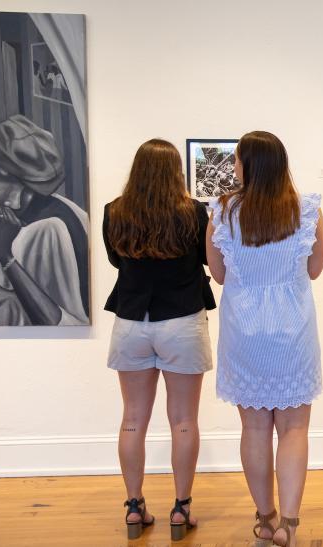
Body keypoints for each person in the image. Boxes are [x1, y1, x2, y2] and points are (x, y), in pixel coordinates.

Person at [207, 130, 323, 547]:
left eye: (237, 159)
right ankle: (290, 527)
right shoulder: (306, 210)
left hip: (244, 331)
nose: (234, 166)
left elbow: (219, 275)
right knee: (294, 429)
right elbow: (315, 269)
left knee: (255, 428)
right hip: (293, 328)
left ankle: (265, 520)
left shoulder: (222, 213)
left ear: (248, 165)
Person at [102, 139, 216, 541]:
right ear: (175, 173)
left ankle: (134, 507)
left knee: (133, 419)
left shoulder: (115, 212)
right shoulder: (194, 213)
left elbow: (117, 258)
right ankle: (181, 510)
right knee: (183, 421)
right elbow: (207, 258)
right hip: (182, 320)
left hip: (132, 322)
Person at [0, 114, 88, 325]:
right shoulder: (63, 206)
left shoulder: (46, 229)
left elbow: (64, 324)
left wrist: (5, 256)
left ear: (3, 170)